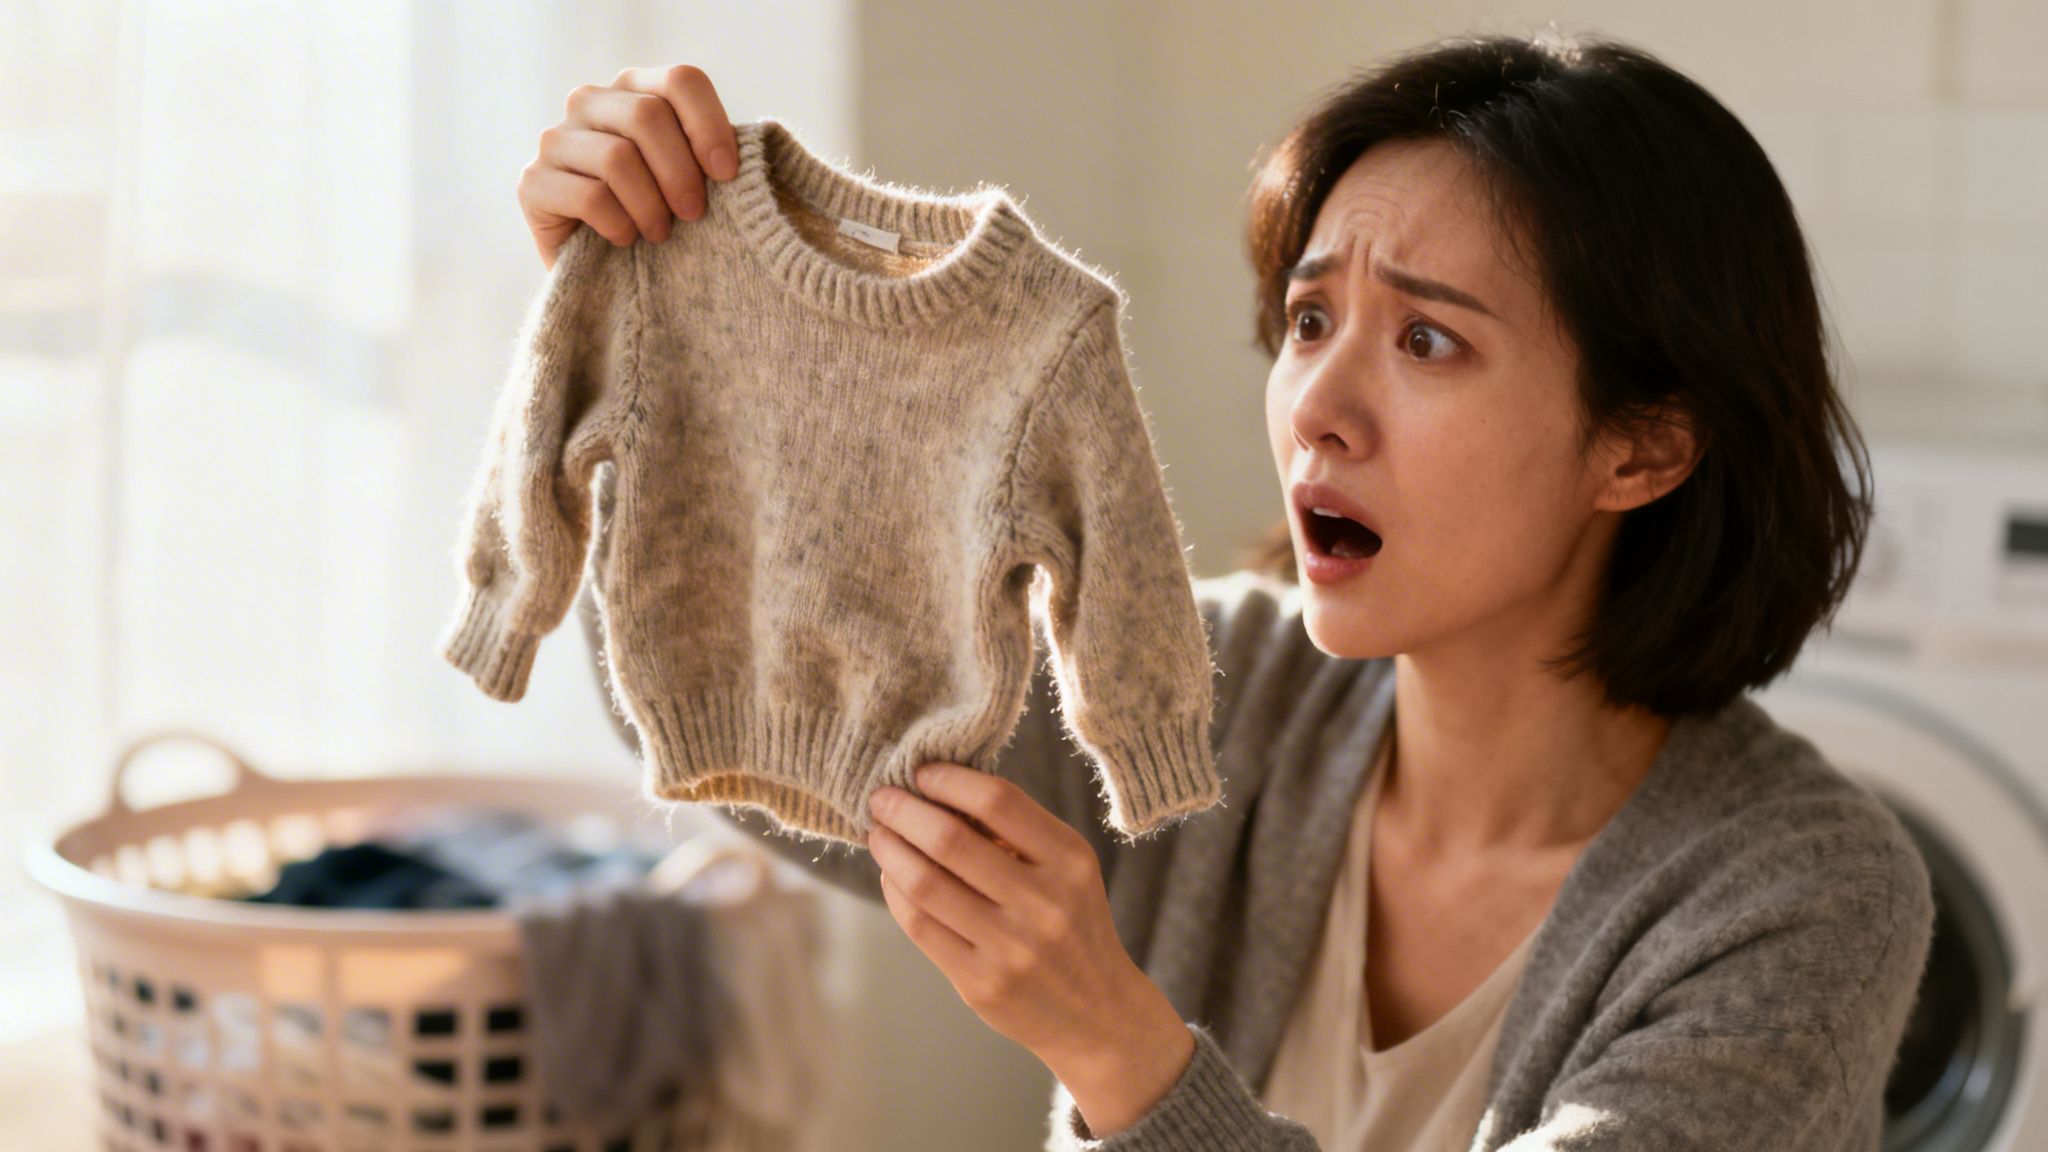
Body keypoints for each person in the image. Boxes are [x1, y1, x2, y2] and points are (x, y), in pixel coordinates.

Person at [533, 31, 1934, 1151]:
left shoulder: (1804, 900)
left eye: (1429, 341)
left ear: (1642, 449)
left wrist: (1118, 1051)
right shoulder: (1212, 689)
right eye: (1311, 319)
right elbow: (784, 726)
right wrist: (640, 332)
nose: (1317, 403)